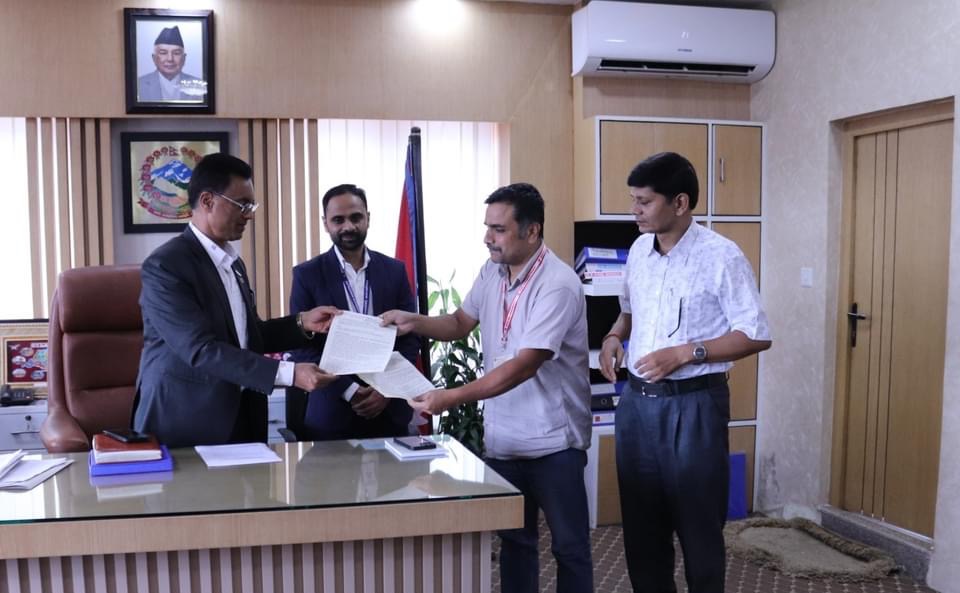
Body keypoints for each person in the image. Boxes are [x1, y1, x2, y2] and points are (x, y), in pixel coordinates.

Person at [381, 183, 593, 593]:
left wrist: (451, 397)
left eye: (498, 229)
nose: (487, 238)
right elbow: (460, 322)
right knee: (515, 542)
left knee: (570, 549)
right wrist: (414, 320)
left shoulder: (558, 284)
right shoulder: (492, 271)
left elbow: (523, 366)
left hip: (554, 443)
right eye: (487, 227)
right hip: (504, 439)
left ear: (532, 231)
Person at [598, 152, 772, 593]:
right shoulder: (640, 250)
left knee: (699, 533)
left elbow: (755, 334)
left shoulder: (721, 255)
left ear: (679, 203)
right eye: (633, 200)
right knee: (642, 533)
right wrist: (614, 336)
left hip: (694, 407)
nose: (634, 210)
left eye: (644, 201)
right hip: (637, 406)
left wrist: (687, 353)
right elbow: (629, 311)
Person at [133, 153, 338, 448]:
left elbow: (249, 336)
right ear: (207, 201)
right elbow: (201, 349)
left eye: (251, 206)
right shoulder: (166, 266)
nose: (249, 215)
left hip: (244, 415)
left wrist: (302, 323)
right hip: (187, 421)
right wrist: (290, 374)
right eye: (242, 205)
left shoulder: (233, 264)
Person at [289, 183, 418, 440]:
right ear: (326, 224)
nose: (348, 226)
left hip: (389, 408)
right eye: (338, 220)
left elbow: (411, 336)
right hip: (332, 411)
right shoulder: (307, 275)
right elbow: (301, 346)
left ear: (368, 218)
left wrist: (385, 390)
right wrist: (349, 390)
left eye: (356, 217)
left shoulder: (394, 271)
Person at [137, 26, 204, 102]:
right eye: (163, 53)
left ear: (184, 58)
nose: (170, 59)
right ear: (154, 58)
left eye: (176, 53)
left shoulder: (199, 85)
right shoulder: (139, 85)